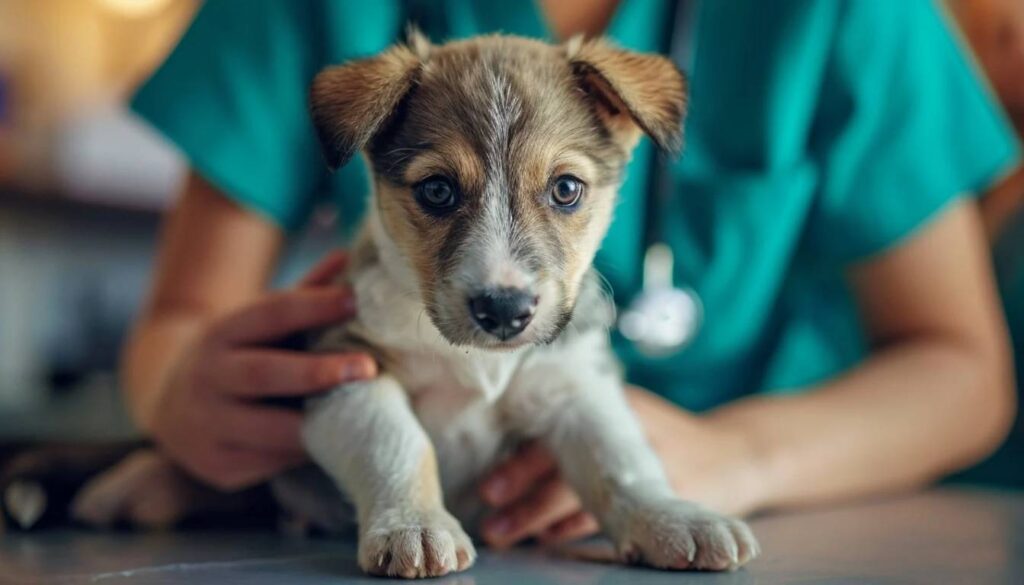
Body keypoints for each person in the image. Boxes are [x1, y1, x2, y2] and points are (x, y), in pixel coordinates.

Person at [124, 0, 1021, 547]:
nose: (503, 268)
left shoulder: (848, 11)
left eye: (564, 190)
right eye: (437, 192)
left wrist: (743, 454)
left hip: (789, 510)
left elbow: (965, 372)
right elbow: (179, 319)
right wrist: (176, 393)